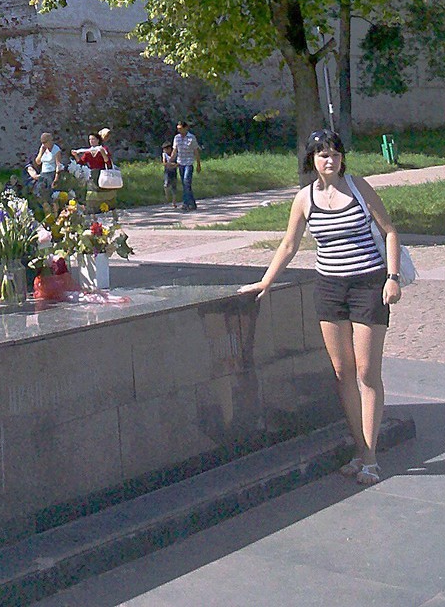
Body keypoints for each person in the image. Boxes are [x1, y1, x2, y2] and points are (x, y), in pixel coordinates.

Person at [238, 129, 403, 486]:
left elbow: (389, 231)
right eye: (323, 154)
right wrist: (266, 281)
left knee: (366, 372)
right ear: (311, 160)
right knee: (343, 371)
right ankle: (359, 449)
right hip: (329, 288)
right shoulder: (304, 198)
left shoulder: (358, 188)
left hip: (368, 284)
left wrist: (393, 277)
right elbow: (289, 244)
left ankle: (371, 459)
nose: (330, 160)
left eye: (336, 154)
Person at [171, 120, 202, 210]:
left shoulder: (191, 138)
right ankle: (192, 204)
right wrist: (170, 161)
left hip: (189, 162)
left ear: (185, 128)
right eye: (178, 129)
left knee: (186, 181)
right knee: (185, 184)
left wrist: (198, 164)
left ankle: (185, 203)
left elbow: (196, 151)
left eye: (180, 129)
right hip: (180, 163)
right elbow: (174, 150)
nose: (179, 131)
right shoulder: (176, 138)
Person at [27, 132, 62, 197]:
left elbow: (58, 164)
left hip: (51, 173)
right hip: (43, 173)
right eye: (42, 142)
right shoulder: (43, 148)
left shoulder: (56, 150)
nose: (44, 144)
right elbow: (38, 162)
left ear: (50, 140)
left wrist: (56, 178)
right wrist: (41, 152)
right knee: (39, 192)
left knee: (49, 193)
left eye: (45, 142)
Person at [161, 139, 179, 207]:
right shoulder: (164, 154)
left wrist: (170, 164)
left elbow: (177, 163)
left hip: (173, 172)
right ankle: (167, 197)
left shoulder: (175, 154)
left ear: (169, 148)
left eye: (165, 149)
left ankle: (174, 202)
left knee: (174, 187)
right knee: (166, 185)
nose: (164, 151)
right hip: (167, 172)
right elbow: (164, 163)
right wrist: (171, 164)